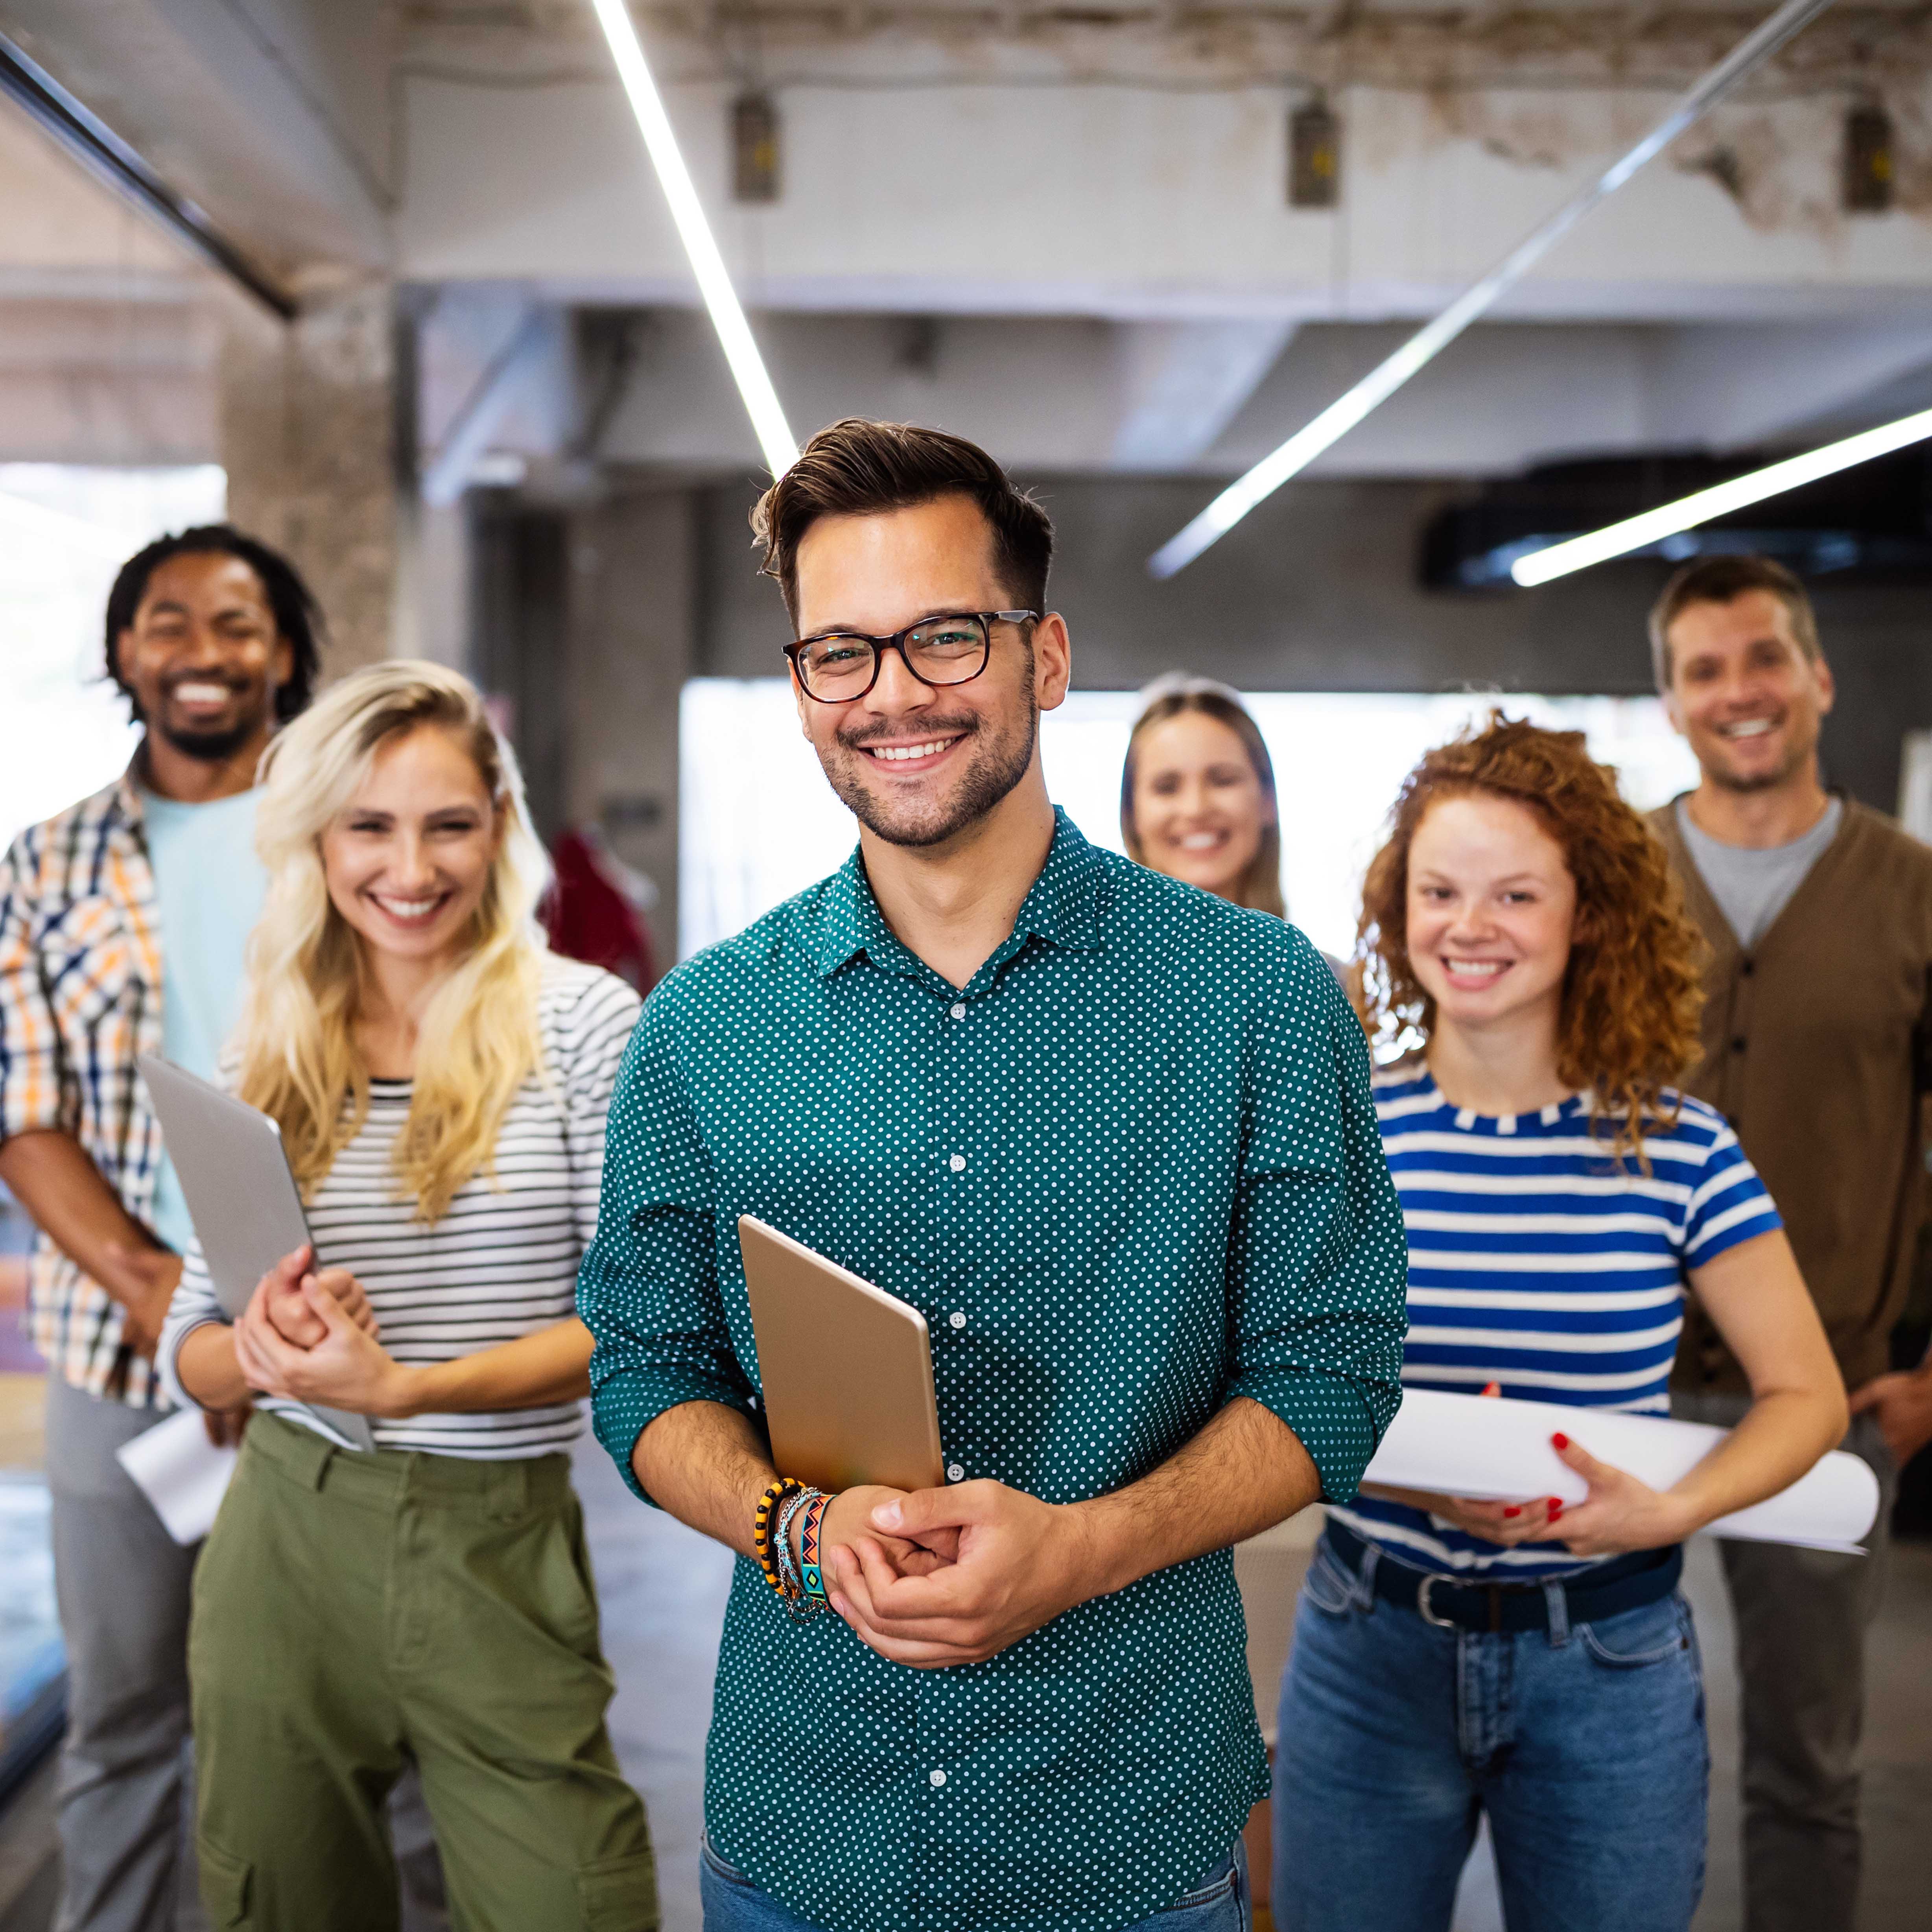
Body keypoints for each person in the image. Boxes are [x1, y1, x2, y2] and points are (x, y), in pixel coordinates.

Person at [577, 417, 1408, 1932]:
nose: (892, 692)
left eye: (944, 635)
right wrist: (796, 1527)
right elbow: (645, 1369)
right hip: (800, 1824)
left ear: (1046, 655)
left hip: (1123, 1823)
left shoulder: (1255, 999)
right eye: (840, 651)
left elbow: (1332, 1373)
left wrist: (1087, 1544)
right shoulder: (704, 1023)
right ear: (799, 687)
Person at [1273, 715, 1847, 1932]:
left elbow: (1806, 1395)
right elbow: (1267, 1369)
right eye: (1436, 889)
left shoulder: (1678, 1146)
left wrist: (1670, 1504)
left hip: (1605, 1659)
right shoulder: (1344, 1126)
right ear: (1395, 903)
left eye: (1513, 893)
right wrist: (1394, 1467)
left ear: (1586, 913)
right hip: (1368, 1640)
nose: (1466, 926)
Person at [156, 662, 656, 1932]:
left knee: (573, 1900)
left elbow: (635, 1323)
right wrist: (259, 1353)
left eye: (448, 822)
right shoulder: (265, 1046)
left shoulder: (586, 1022)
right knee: (280, 1901)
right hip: (287, 1537)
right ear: (318, 839)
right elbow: (190, 1350)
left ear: (499, 823)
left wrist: (408, 1386)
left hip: (500, 1536)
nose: (411, 866)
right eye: (368, 826)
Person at [0, 524, 319, 1932]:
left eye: (236, 623)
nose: (202, 650)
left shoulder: (346, 832)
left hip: (335, 1337)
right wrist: (158, 1296)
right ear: (126, 653)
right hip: (114, 1349)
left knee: (340, 1715)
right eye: (168, 621)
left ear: (287, 653)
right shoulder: (49, 859)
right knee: (125, 1710)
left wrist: (275, 1324)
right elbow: (23, 1110)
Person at [1645, 555, 1932, 1932]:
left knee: (1808, 1767)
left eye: (1763, 659)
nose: (1738, 693)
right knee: (1602, 1740)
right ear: (1670, 703)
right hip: (1613, 1384)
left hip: (1828, 1387)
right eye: (1704, 670)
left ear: (1819, 679)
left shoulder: (1911, 889)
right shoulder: (1613, 879)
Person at [1120, 675, 1285, 914]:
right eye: (1167, 787)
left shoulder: (1306, 953)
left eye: (1223, 781)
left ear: (1268, 800)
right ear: (1131, 812)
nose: (1195, 808)